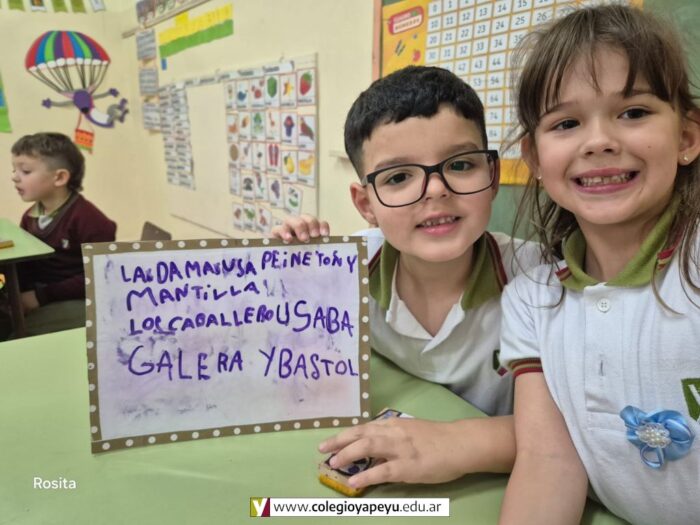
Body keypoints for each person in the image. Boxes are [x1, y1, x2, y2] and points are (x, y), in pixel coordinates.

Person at [273, 66, 540, 489]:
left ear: (492, 177)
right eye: (398, 177)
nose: (435, 190)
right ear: (366, 205)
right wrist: (282, 280)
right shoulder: (340, 271)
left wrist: (462, 444)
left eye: (460, 164)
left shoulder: (542, 280)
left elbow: (587, 430)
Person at [499, 5, 700, 525]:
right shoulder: (530, 300)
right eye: (566, 123)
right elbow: (548, 463)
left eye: (633, 112)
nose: (599, 142)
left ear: (686, 138)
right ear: (535, 159)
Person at [2, 132, 116, 338]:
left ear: (60, 177)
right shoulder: (31, 216)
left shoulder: (90, 220)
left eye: (25, 171)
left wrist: (39, 297)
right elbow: (26, 264)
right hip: (41, 293)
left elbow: (100, 275)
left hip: (78, 299)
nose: (15, 177)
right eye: (14, 170)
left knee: (14, 336)